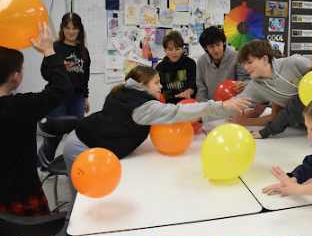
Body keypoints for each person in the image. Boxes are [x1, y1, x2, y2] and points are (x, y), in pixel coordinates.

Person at [62, 66, 251, 167]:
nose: (161, 87)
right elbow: (178, 112)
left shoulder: (125, 93)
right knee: (83, 201)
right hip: (82, 146)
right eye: (156, 83)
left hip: (82, 136)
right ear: (142, 85)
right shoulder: (142, 106)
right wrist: (222, 104)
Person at [0, 25, 70, 217]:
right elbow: (61, 88)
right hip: (23, 193)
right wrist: (48, 51)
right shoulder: (21, 106)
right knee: (39, 230)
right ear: (15, 77)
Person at [230, 39, 312, 138]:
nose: (246, 67)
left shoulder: (294, 63)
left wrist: (250, 124)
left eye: (250, 62)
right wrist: (215, 110)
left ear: (265, 60)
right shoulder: (257, 86)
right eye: (245, 64)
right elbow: (279, 115)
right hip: (308, 125)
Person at [45, 12, 91, 163]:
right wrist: (60, 68)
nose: (71, 31)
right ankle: (44, 165)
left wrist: (85, 97)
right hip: (58, 96)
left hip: (77, 97)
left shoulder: (83, 50)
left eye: (74, 28)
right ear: (62, 29)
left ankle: (77, 164)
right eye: (68, 28)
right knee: (55, 134)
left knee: (77, 134)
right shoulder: (55, 48)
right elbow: (45, 72)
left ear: (79, 30)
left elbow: (85, 77)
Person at [195, 26, 250, 102]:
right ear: (205, 48)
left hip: (234, 103)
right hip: (211, 105)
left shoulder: (236, 57)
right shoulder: (201, 61)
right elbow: (201, 88)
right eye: (211, 47)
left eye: (218, 45)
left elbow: (246, 79)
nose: (216, 50)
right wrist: (202, 106)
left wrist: (245, 84)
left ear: (224, 42)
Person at [155, 31, 197, 103]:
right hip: (166, 106)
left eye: (177, 49)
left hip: (187, 104)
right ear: (165, 50)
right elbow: (156, 89)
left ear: (182, 49)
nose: (174, 53)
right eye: (170, 49)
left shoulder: (190, 63)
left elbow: (194, 85)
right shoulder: (160, 68)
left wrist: (187, 93)